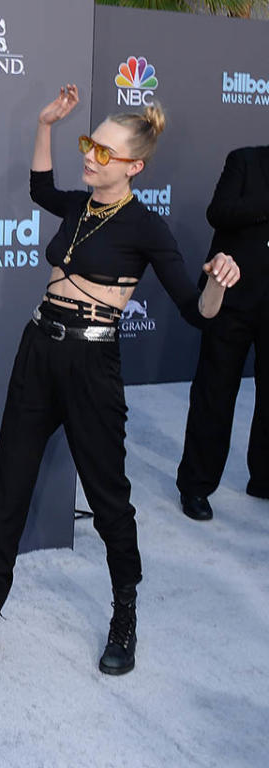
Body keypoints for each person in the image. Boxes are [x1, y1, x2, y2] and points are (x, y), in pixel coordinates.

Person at [0, 85, 240, 680]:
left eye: (104, 152)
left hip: (91, 366)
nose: (91, 157)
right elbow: (38, 188)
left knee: (109, 501)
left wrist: (219, 281)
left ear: (135, 165)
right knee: (9, 491)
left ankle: (125, 617)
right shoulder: (81, 206)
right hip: (37, 351)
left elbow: (197, 311)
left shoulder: (146, 227)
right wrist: (43, 126)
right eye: (89, 144)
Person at [177, 145, 269, 520]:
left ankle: (263, 477)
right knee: (214, 394)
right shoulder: (244, 160)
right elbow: (218, 212)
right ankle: (196, 486)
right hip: (230, 299)